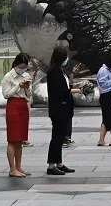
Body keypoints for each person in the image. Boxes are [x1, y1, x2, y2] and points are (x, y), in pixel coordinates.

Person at [46, 46, 80, 175]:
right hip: (58, 108)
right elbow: (60, 91)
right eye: (65, 56)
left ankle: (59, 163)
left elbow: (65, 86)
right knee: (56, 137)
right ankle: (51, 166)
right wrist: (75, 90)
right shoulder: (53, 71)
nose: (67, 59)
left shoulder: (61, 70)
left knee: (60, 137)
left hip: (64, 108)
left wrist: (75, 85)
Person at [1, 53, 33, 177]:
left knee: (20, 139)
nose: (23, 70)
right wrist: (17, 86)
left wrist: (26, 87)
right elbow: (6, 94)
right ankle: (12, 168)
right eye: (21, 67)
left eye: (25, 67)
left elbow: (29, 94)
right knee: (12, 139)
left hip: (23, 105)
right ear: (15, 65)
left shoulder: (26, 75)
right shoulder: (8, 77)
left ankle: (19, 166)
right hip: (13, 105)